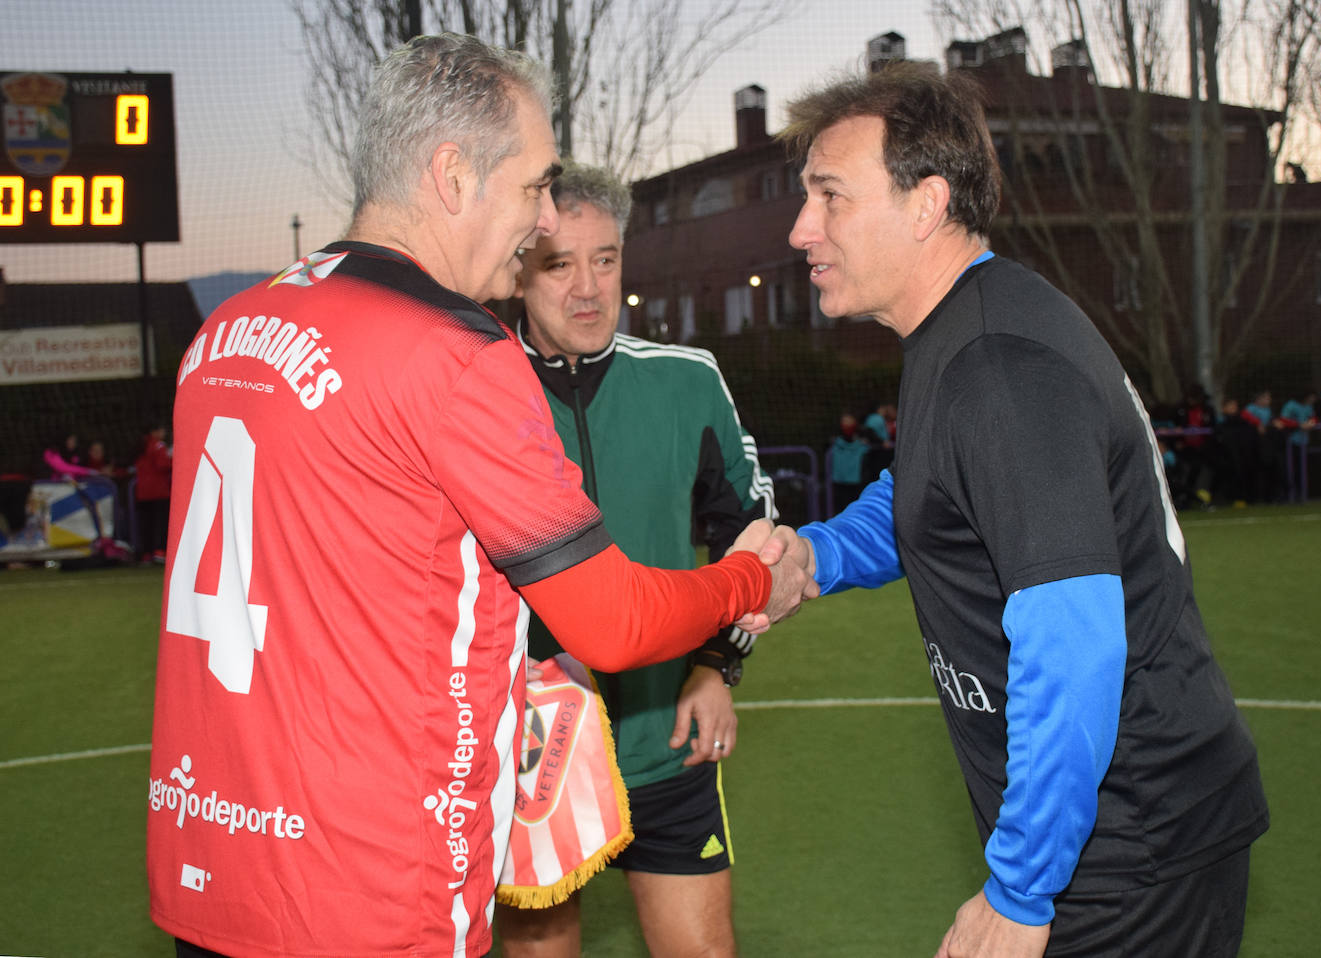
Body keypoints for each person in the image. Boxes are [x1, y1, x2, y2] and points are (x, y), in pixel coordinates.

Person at [145, 34, 813, 958]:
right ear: (453, 174)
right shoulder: (453, 354)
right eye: (536, 184)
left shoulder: (229, 330)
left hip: (215, 856)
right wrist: (748, 584)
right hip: (368, 886)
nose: (544, 219)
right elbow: (612, 620)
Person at [765, 63, 1268, 956]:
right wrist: (820, 555)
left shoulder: (999, 368)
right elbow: (930, 491)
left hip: (1133, 846)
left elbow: (1074, 643)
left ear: (925, 203)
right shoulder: (959, 332)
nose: (803, 229)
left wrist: (1022, 890)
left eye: (830, 196)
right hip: (1109, 836)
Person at [494, 162, 773, 958]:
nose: (588, 288)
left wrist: (719, 666)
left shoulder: (687, 382)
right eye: (559, 263)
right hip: (532, 754)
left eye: (606, 259)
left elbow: (748, 531)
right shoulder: (477, 392)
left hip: (666, 736)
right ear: (519, 270)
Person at [133, 424, 173, 561]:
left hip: (142, 492)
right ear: (155, 431)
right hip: (159, 491)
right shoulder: (159, 446)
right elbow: (163, 465)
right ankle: (159, 551)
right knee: (160, 523)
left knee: (146, 524)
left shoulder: (140, 446)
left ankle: (146, 552)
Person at [828, 412, 870, 514]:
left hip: (855, 482)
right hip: (840, 481)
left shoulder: (861, 442)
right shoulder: (835, 442)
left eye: (849, 422)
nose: (847, 425)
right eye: (845, 422)